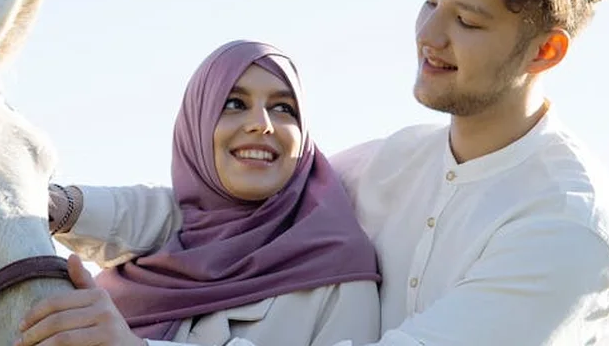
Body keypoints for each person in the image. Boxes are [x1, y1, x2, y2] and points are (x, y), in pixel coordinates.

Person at [20, 0, 609, 345]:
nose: (430, 35)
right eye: (430, 1)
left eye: (468, 21)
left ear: (546, 50)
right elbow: (213, 212)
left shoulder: (568, 225)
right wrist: (54, 205)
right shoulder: (384, 166)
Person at [28, 40, 383, 346]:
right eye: (234, 104)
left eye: (283, 108)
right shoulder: (164, 251)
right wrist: (38, 202)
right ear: (195, 128)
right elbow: (141, 212)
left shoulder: (338, 269)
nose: (262, 122)